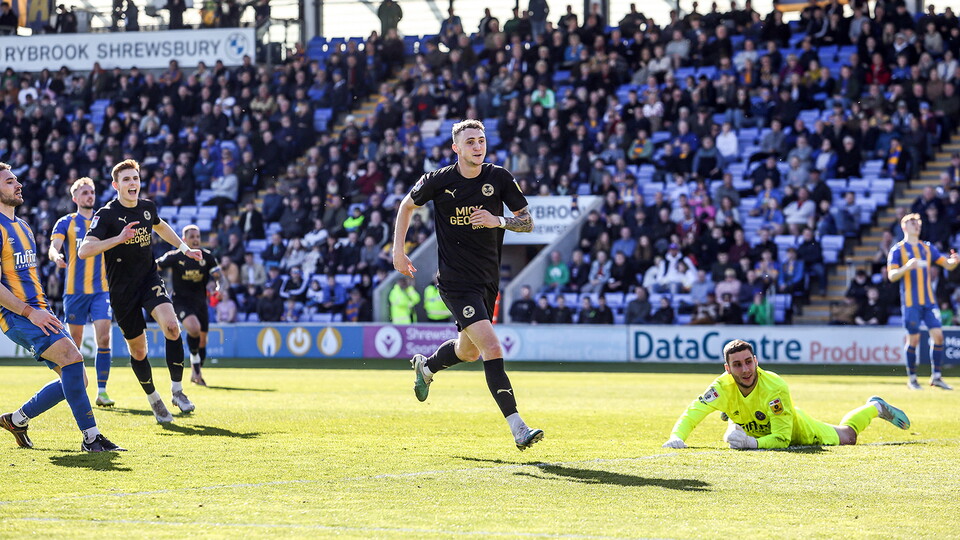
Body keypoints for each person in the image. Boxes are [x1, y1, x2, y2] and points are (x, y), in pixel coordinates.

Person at [393, 119, 543, 451]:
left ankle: (427, 366)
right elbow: (407, 205)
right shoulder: (439, 180)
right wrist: (398, 251)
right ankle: (518, 427)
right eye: (470, 142)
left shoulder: (499, 178)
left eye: (481, 140)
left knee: (469, 351)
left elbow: (528, 222)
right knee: (492, 348)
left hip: (488, 280)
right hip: (455, 282)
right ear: (456, 149)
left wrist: (498, 220)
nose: (478, 146)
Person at [0, 163, 123, 452]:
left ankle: (17, 420)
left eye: (16, 179)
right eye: (9, 181)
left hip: (41, 311)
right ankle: (92, 438)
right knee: (71, 356)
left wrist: (41, 310)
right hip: (19, 315)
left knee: (78, 378)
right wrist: (30, 312)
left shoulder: (24, 226)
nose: (18, 184)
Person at [79, 159, 203, 424]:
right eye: (126, 179)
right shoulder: (106, 214)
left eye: (135, 178)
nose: (132, 183)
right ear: (116, 185)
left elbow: (160, 226)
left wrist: (184, 249)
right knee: (138, 351)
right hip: (122, 290)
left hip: (149, 279)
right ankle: (154, 400)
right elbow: (84, 250)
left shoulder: (147, 207)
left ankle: (178, 391)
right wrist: (117, 239)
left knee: (172, 326)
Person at [662, 339, 910, 450]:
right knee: (734, 423)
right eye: (737, 365)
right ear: (727, 369)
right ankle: (734, 419)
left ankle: (876, 407)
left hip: (798, 429)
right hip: (757, 424)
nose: (746, 369)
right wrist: (677, 436)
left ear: (756, 360)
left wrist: (752, 443)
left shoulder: (775, 387)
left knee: (848, 437)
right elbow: (694, 412)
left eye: (749, 362)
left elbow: (781, 438)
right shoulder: (720, 387)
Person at [49, 178, 114, 408]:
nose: (90, 196)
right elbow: (53, 247)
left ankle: (103, 390)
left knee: (104, 337)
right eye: (85, 192)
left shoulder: (104, 219)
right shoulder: (66, 222)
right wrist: (56, 256)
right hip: (74, 292)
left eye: (92, 192)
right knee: (74, 343)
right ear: (75, 198)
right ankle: (78, 385)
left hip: (101, 290)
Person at [887, 213, 960, 390]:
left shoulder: (927, 248)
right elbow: (891, 276)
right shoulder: (897, 250)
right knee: (913, 340)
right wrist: (907, 266)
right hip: (911, 302)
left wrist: (954, 261)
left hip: (929, 302)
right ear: (904, 227)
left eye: (918, 222)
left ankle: (936, 377)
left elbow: (947, 264)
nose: (916, 225)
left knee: (939, 336)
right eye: (912, 222)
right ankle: (912, 378)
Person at [157, 225, 222, 387]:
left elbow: (218, 276)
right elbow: (155, 267)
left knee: (202, 341)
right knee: (194, 329)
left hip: (201, 303)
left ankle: (196, 371)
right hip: (181, 302)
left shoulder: (207, 257)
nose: (196, 240)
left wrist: (219, 287)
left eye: (198, 236)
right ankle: (196, 370)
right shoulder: (175, 256)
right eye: (192, 236)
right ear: (184, 239)